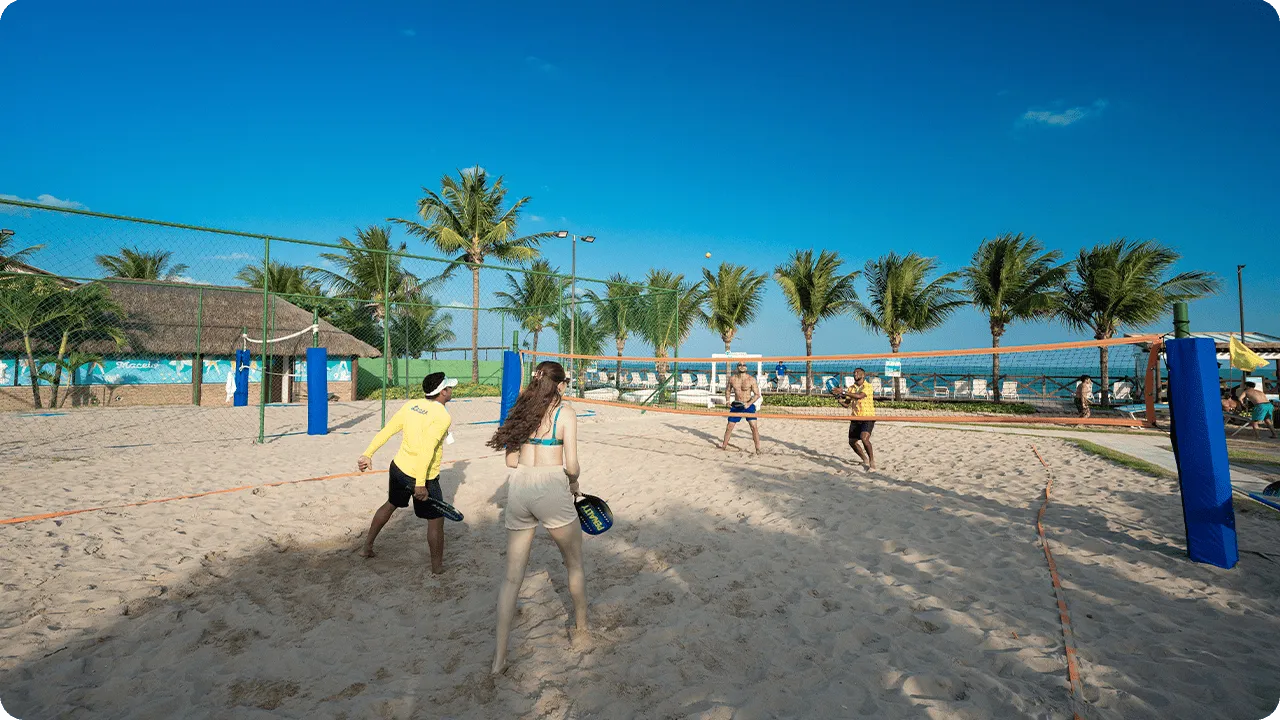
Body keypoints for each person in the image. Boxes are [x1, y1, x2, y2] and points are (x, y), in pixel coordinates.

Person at [486, 361, 587, 674]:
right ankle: (582, 630)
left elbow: (510, 461)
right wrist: (574, 483)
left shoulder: (521, 409)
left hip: (520, 488)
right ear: (558, 385)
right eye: (565, 383)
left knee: (511, 578)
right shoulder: (565, 413)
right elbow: (572, 464)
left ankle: (499, 659)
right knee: (574, 564)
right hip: (550, 486)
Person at [357, 371, 456, 568]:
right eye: (449, 387)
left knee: (390, 504)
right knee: (436, 520)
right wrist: (420, 484)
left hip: (398, 468)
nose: (452, 390)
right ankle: (437, 569)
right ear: (443, 392)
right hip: (423, 475)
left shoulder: (412, 405)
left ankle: (366, 547)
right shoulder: (442, 416)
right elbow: (426, 450)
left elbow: (387, 430)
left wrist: (368, 454)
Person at [835, 367, 876, 470]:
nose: (855, 374)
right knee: (852, 441)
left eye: (857, 373)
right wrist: (839, 400)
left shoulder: (868, 386)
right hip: (855, 417)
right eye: (854, 373)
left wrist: (843, 392)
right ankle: (864, 459)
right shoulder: (851, 388)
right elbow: (846, 404)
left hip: (868, 416)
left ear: (863, 375)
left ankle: (872, 461)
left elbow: (859, 396)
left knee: (864, 438)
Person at [722, 360, 762, 453]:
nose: (742, 366)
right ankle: (724, 446)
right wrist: (727, 401)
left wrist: (749, 403)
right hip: (737, 405)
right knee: (729, 426)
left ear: (746, 367)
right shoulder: (732, 379)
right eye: (740, 365)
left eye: (744, 365)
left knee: (754, 426)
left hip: (748, 404)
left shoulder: (751, 379)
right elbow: (727, 390)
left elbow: (757, 394)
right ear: (737, 367)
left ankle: (758, 448)